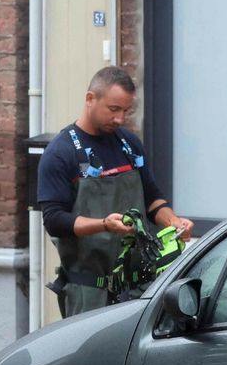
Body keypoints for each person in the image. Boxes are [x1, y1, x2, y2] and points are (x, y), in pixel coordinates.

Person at [37, 66, 194, 317]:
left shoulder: (129, 145)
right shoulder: (60, 152)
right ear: (90, 99)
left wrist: (174, 222)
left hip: (142, 289)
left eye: (125, 111)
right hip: (90, 293)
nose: (120, 119)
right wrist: (104, 224)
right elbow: (54, 220)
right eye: (113, 109)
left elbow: (152, 199)